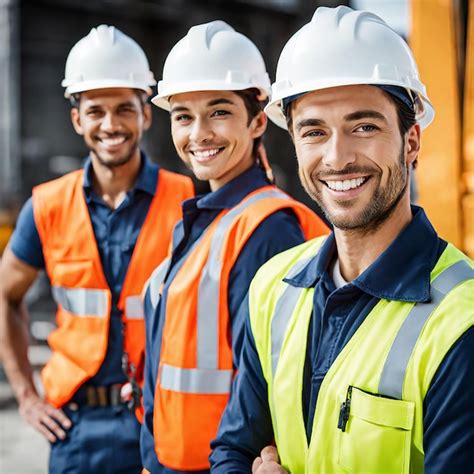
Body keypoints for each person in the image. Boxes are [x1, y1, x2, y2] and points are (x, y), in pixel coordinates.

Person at [210, 6, 474, 473]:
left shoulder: (460, 321)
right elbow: (234, 452)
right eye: (314, 131)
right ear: (293, 141)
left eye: (364, 126)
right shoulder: (274, 286)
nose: (338, 157)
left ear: (411, 141)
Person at [0, 25, 194, 473]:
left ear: (146, 113)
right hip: (76, 426)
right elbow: (6, 296)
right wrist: (27, 397)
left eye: (124, 108)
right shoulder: (46, 206)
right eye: (96, 111)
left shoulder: (186, 200)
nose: (111, 125)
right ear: (77, 119)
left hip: (158, 418)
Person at [139, 20, 329, 474]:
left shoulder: (268, 229)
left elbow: (269, 384)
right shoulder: (208, 218)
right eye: (183, 115)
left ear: (258, 120)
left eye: (219, 111)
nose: (199, 133)